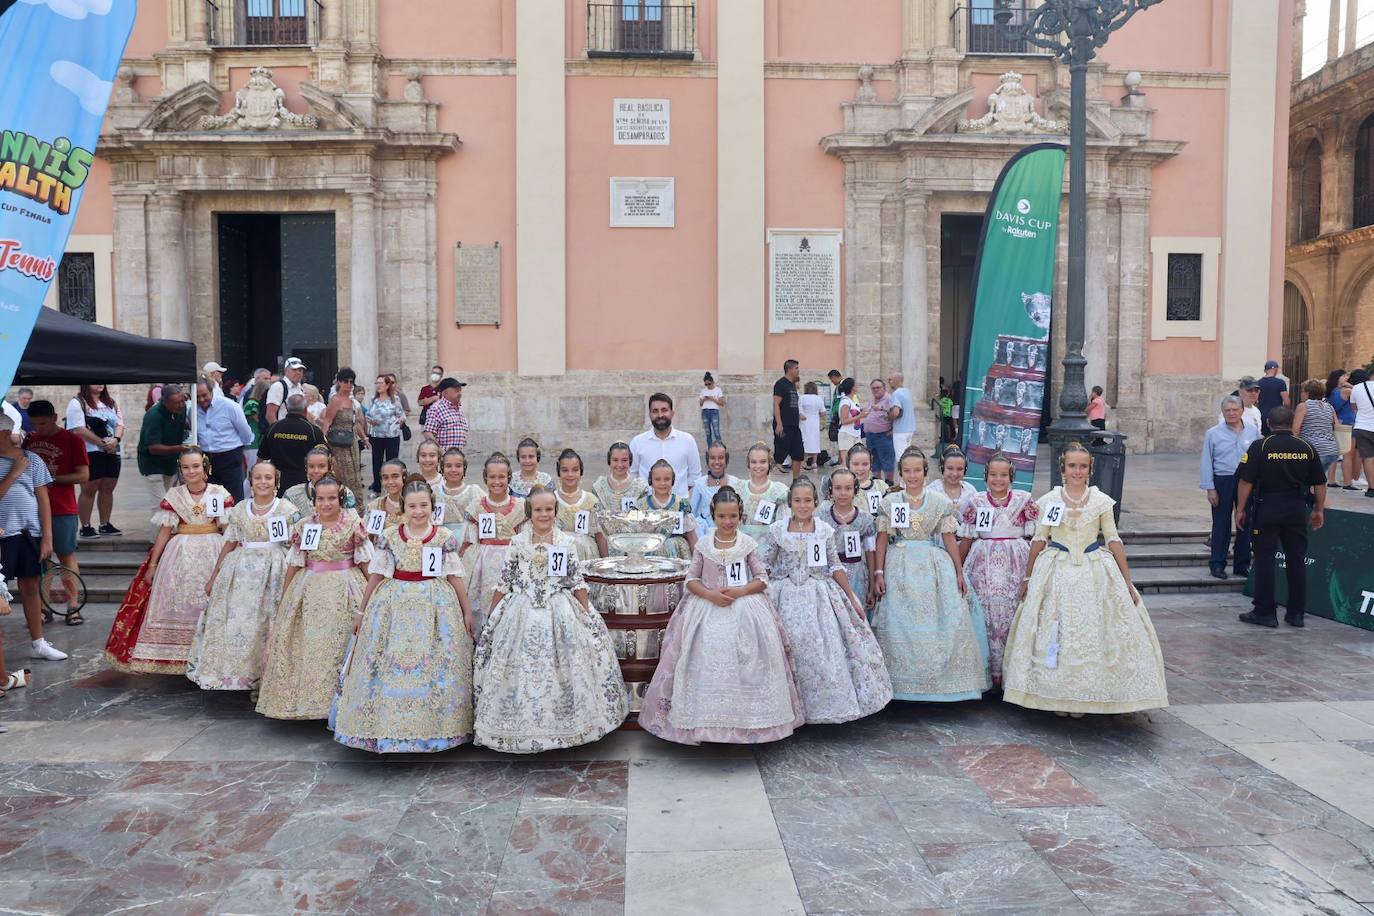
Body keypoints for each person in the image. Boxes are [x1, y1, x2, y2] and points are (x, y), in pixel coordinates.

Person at [1002, 443, 1168, 713]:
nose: (1077, 471)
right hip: (1056, 571)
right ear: (1062, 468)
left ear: (1090, 469)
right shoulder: (1051, 501)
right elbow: (1040, 538)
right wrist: (1028, 578)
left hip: (1093, 571)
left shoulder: (1100, 501)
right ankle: (1056, 693)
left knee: (1092, 629)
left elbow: (1113, 539)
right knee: (1057, 629)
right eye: (1071, 466)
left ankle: (1087, 693)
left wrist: (1126, 581)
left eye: (1082, 466)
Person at [639, 485, 805, 745]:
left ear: (741, 516)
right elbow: (691, 579)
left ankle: (750, 722)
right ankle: (704, 722)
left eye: (733, 517)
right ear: (713, 516)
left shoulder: (748, 544)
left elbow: (762, 578)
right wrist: (710, 595)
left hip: (746, 607)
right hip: (706, 606)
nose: (728, 522)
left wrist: (741, 591)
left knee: (749, 658)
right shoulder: (704, 545)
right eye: (722, 517)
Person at [472, 487, 627, 753]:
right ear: (530, 512)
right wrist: (492, 618)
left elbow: (575, 579)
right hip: (521, 608)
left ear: (555, 512)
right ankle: (518, 728)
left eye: (549, 509)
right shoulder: (518, 542)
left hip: (560, 608)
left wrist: (587, 612)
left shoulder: (565, 542)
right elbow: (505, 581)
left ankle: (569, 726)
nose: (544, 514)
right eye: (538, 510)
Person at [332, 477, 477, 753]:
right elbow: (376, 574)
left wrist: (466, 610)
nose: (418, 511)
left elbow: (455, 576)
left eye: (423, 505)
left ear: (432, 507)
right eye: (412, 506)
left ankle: (435, 729)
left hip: (436, 606)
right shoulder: (389, 536)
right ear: (403, 508)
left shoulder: (444, 537)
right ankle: (387, 727)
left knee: (435, 665)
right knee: (389, 663)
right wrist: (362, 611)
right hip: (393, 605)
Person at [762, 477, 892, 723]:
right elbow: (765, 565)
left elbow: (834, 565)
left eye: (808, 501)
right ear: (790, 503)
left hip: (819, 593)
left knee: (823, 646)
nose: (803, 506)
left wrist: (851, 597)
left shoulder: (823, 529)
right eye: (798, 501)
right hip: (784, 591)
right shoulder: (778, 530)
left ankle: (820, 708)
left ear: (815, 502)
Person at [872, 448, 989, 702]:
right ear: (901, 474)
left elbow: (948, 538)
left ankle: (940, 684)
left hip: (932, 564)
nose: (912, 476)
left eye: (917, 470)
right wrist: (879, 572)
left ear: (925, 472)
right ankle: (899, 684)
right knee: (899, 622)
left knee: (940, 620)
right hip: (899, 564)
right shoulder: (891, 502)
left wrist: (959, 572)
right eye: (907, 471)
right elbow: (882, 538)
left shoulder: (938, 502)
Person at [105, 448, 231, 674]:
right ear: (180, 469)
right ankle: (175, 654)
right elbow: (165, 531)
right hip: (179, 552)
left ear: (205, 467)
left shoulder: (218, 493)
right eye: (186, 467)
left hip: (213, 550)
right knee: (177, 600)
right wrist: (153, 564)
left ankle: (210, 654)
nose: (191, 471)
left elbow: (227, 528)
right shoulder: (174, 495)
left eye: (195, 466)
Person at [256, 476, 372, 720]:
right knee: (307, 645)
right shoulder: (305, 526)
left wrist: (371, 599)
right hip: (308, 591)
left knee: (338, 645)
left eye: (331, 498)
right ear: (313, 500)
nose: (326, 504)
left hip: (345, 589)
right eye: (321, 499)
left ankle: (339, 704)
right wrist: (286, 598)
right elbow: (295, 564)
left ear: (340, 499)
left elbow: (365, 564)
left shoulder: (353, 523)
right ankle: (309, 704)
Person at [185, 461, 298, 690]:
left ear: (275, 481)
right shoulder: (239, 509)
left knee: (265, 623)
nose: (263, 482)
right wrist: (215, 576)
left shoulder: (286, 509)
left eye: (267, 478)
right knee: (237, 624)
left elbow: (294, 546)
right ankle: (238, 675)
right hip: (240, 574)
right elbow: (230, 542)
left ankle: (263, 677)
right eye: (258, 478)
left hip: (273, 572)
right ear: (251, 481)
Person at [1237, 406, 1330, 628]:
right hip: (1296, 508)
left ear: (1269, 423)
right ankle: (1296, 613)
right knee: (1296, 559)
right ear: (1292, 424)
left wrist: (1240, 509)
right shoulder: (1306, 447)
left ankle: (1265, 611)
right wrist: (1319, 509)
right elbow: (1320, 482)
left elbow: (1246, 481)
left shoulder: (1262, 445)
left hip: (1267, 507)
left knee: (1265, 559)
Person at [957, 453, 1037, 688]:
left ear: (1011, 476)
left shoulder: (1024, 501)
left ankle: (1012, 676)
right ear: (986, 476)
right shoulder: (976, 502)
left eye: (1003, 475)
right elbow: (967, 539)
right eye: (993, 474)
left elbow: (1036, 539)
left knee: (1013, 615)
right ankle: (985, 675)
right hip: (982, 568)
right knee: (984, 615)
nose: (998, 479)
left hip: (1016, 565)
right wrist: (957, 571)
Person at [0, 417, 66, 662]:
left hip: (29, 534)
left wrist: (47, 537)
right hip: (2, 535)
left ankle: (38, 643)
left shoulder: (33, 459)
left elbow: (43, 500)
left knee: (30, 587)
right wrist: (15, 472)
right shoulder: (16, 464)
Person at [26, 401, 90, 624]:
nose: (39, 428)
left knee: (65, 555)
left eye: (43, 423)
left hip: (62, 507)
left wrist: (50, 480)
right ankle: (44, 607)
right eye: (35, 424)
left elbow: (83, 475)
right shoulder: (30, 440)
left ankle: (73, 605)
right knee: (39, 559)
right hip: (32, 510)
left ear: (54, 417)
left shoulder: (72, 441)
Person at [465, 453, 526, 636]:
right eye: (492, 477)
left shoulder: (521, 507)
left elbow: (524, 540)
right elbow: (471, 542)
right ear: (485, 478)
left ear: (509, 478)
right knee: (484, 605)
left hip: (511, 563)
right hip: (482, 567)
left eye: (501, 477)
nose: (497, 481)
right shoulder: (477, 506)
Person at [1200, 396, 1259, 581]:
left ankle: (1242, 564)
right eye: (1227, 410)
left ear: (1242, 411)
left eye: (1235, 410)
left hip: (1246, 481)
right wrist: (1210, 488)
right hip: (1222, 480)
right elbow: (1206, 461)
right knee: (1221, 524)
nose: (1231, 413)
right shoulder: (1213, 433)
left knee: (1245, 522)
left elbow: (1258, 459)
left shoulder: (1253, 431)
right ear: (1222, 411)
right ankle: (1217, 564)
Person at [67, 383, 123, 539]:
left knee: (108, 488)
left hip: (112, 450)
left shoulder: (111, 402)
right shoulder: (78, 402)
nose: (100, 384)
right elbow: (77, 429)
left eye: (102, 381)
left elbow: (120, 423)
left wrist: (116, 439)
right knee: (89, 489)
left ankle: (105, 524)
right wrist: (102, 443)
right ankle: (85, 526)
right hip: (90, 452)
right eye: (95, 381)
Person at [821, 468, 878, 617]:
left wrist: (872, 585)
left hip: (857, 577)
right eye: (838, 488)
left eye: (848, 488)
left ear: (855, 490)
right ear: (830, 490)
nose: (843, 493)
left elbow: (870, 553)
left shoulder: (866, 520)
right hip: (829, 576)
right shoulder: (821, 517)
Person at [628, 393, 702, 498]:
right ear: (649, 415)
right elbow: (631, 475)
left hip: (679, 507)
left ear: (672, 413)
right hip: (646, 508)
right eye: (655, 411)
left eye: (664, 410)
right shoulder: (637, 442)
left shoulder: (687, 440)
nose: (660, 415)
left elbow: (694, 476)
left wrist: (677, 497)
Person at [195, 378, 253, 501]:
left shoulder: (229, 406)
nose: (201, 399)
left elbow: (246, 432)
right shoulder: (193, 411)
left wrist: (237, 448)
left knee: (233, 496)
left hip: (229, 456)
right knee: (211, 497)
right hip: (207, 459)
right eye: (197, 396)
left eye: (204, 395)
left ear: (211, 391)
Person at [257, 394, 326, 494]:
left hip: (277, 483)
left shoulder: (273, 428)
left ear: (286, 409)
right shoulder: (313, 431)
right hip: (303, 483)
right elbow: (327, 456)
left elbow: (261, 457)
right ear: (306, 410)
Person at [136, 384, 190, 510]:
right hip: (152, 464)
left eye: (182, 400)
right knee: (160, 505)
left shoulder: (181, 409)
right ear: (164, 402)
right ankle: (161, 530)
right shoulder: (154, 415)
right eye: (176, 403)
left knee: (170, 502)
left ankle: (170, 529)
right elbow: (153, 448)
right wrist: (180, 448)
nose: (181, 405)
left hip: (170, 463)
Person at [321, 368, 369, 498]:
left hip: (351, 442)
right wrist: (321, 443)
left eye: (351, 382)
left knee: (355, 474)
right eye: (345, 381)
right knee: (343, 474)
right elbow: (327, 422)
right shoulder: (335, 400)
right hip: (338, 444)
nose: (348, 384)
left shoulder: (352, 401)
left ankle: (357, 507)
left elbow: (356, 423)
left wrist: (364, 438)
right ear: (339, 382)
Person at [436, 448, 484, 575]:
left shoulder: (474, 492)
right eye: (448, 466)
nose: (453, 470)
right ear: (441, 468)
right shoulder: (433, 492)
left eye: (458, 466)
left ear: (464, 469)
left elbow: (485, 520)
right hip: (440, 545)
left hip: (467, 546)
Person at [552, 449, 605, 562]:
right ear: (558, 472)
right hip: (559, 556)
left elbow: (599, 535)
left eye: (575, 470)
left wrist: (606, 561)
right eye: (565, 470)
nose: (570, 474)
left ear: (581, 472)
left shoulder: (591, 500)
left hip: (587, 555)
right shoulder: (551, 500)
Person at [284, 445, 359, 515]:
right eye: (311, 466)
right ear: (306, 468)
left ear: (330, 468)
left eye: (321, 466)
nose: (316, 471)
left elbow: (352, 521)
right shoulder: (292, 494)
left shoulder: (344, 493)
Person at [365, 373, 407, 495]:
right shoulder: (374, 399)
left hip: (391, 436)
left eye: (381, 383)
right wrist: (371, 420)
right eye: (377, 383)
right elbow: (367, 414)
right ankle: (377, 488)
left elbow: (402, 415)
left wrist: (400, 421)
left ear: (387, 385)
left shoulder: (395, 399)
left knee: (392, 462)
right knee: (376, 462)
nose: (378, 386)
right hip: (377, 435)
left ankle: (393, 488)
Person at [739, 442, 789, 542]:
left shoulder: (779, 491)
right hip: (742, 545)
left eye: (762, 462)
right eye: (754, 462)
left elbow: (784, 526)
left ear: (769, 463)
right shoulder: (738, 489)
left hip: (768, 547)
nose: (758, 466)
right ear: (748, 464)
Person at [1294, 378, 1341, 481]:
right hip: (1331, 451)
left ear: (1307, 393)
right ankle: (1319, 497)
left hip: (1314, 449)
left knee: (1305, 480)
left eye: (1302, 391)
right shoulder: (1329, 407)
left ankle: (1310, 497)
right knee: (1319, 480)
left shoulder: (1303, 406)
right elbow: (1337, 426)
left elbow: (1295, 430)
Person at [689, 443, 740, 532]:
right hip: (705, 531)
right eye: (712, 458)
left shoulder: (735, 482)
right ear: (707, 460)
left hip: (729, 529)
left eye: (720, 458)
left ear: (726, 460)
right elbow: (693, 512)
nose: (716, 462)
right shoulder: (700, 484)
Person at [593, 441, 648, 514]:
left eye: (624, 460)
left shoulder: (641, 487)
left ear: (630, 461)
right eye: (615, 460)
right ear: (609, 461)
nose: (619, 465)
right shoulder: (599, 486)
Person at [772, 359, 805, 479]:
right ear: (790, 369)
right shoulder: (781, 384)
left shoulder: (792, 385)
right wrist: (779, 424)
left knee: (798, 454)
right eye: (796, 368)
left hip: (794, 425)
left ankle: (796, 480)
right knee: (780, 454)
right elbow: (776, 404)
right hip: (784, 425)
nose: (798, 371)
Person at [1327, 369, 1358, 488]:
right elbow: (1360, 392)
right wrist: (1350, 385)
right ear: (1338, 378)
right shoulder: (1346, 390)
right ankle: (1347, 482)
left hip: (1337, 423)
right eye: (1344, 375)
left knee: (1335, 453)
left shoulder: (1332, 391)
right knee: (1348, 455)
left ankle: (1331, 480)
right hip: (1348, 424)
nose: (1346, 377)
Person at [422, 377, 470, 451]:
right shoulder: (436, 409)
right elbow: (428, 433)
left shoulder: (459, 410)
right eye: (456, 391)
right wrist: (440, 451)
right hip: (444, 457)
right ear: (445, 393)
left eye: (460, 390)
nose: (460, 393)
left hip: (458, 456)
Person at [365, 458, 408, 540]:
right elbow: (369, 538)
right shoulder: (374, 506)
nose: (390, 482)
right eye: (385, 478)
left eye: (395, 476)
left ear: (404, 477)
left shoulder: (415, 505)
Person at [864, 378, 896, 484]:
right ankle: (877, 483)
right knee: (874, 460)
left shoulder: (890, 399)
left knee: (887, 460)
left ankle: (889, 482)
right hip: (870, 436)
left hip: (883, 435)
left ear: (884, 388)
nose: (875, 390)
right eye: (873, 388)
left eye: (878, 387)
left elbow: (897, 414)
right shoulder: (872, 400)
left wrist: (893, 430)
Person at [1350, 369, 1374, 498]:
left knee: (1368, 458)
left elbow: (1353, 407)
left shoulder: (1358, 388)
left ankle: (1371, 488)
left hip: (1363, 426)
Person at [264, 356, 307, 425]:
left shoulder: (300, 388)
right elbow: (270, 414)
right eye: (294, 370)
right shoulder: (278, 386)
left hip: (298, 431)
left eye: (300, 370)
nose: (298, 372)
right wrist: (278, 432)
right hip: (283, 432)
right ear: (286, 371)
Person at [834, 377, 863, 465]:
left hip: (855, 434)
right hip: (846, 434)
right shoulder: (845, 402)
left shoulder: (852, 401)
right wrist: (860, 416)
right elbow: (844, 420)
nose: (857, 386)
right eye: (856, 384)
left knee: (858, 459)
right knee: (846, 462)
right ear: (852, 387)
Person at [888, 372, 916, 459]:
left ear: (896, 380)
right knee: (908, 456)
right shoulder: (907, 392)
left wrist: (888, 417)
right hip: (910, 429)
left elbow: (896, 412)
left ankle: (904, 472)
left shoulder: (896, 394)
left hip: (900, 430)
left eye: (890, 380)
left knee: (901, 458)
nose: (889, 382)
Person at [1257, 359, 1290, 432]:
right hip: (1277, 416)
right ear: (1275, 369)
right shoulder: (1280, 383)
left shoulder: (1258, 383)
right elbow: (1287, 402)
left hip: (1261, 415)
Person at [799, 381, 825, 471]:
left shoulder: (802, 398)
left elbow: (798, 409)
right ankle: (814, 462)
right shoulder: (819, 399)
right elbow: (823, 412)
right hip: (815, 421)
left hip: (805, 421)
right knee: (815, 440)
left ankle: (803, 461)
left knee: (805, 440)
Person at [699, 372, 725, 449]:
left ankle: (721, 448)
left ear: (713, 382)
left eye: (709, 384)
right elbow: (700, 404)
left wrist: (713, 399)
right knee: (708, 433)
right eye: (706, 384)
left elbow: (722, 403)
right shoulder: (703, 391)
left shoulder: (718, 390)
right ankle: (710, 449)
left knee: (716, 432)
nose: (707, 386)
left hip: (714, 412)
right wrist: (704, 399)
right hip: (705, 412)